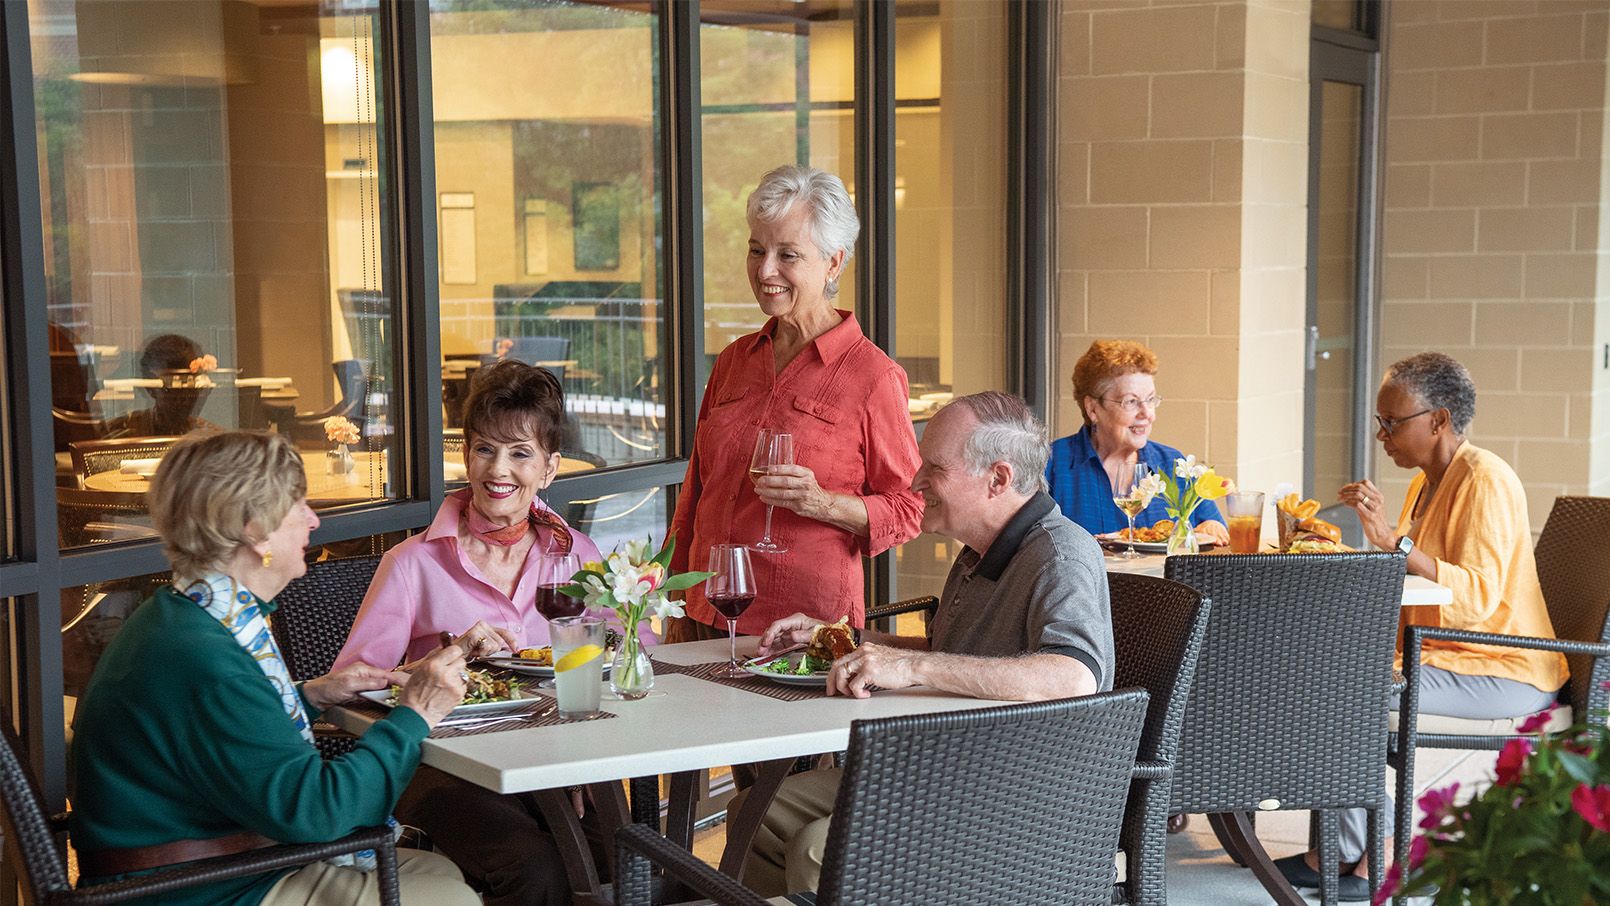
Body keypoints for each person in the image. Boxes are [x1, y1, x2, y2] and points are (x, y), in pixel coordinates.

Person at [68, 431, 478, 906]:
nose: (313, 519)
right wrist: (416, 714)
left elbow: (221, 735)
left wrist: (309, 695)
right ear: (253, 528)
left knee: (437, 871)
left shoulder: (188, 618)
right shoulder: (204, 656)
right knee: (447, 896)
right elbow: (318, 811)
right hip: (192, 888)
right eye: (297, 504)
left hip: (204, 865)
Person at [736, 391, 1115, 896]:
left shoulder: (1060, 554)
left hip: (1016, 798)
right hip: (946, 769)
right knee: (755, 813)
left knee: (817, 846)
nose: (915, 482)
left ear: (997, 479)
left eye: (934, 468)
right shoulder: (979, 552)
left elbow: (1074, 678)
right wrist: (842, 638)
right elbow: (945, 655)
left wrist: (914, 665)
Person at [1276, 352, 1568, 901]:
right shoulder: (1424, 485)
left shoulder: (1486, 480)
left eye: (1393, 421)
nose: (1382, 434)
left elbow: (1476, 598)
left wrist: (1394, 543)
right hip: (1440, 654)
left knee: (1344, 697)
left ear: (1438, 419)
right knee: (1322, 678)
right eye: (1380, 421)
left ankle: (1379, 848)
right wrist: (1372, 547)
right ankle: (1341, 850)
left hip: (1501, 664)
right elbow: (1409, 575)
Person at [334, 359, 612, 905]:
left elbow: (614, 666)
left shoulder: (577, 557)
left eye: (519, 453)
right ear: (466, 456)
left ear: (550, 469)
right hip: (442, 766)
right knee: (534, 869)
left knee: (620, 853)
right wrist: (445, 660)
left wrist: (586, 753)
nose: (498, 469)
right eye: (485, 448)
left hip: (555, 755)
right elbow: (349, 689)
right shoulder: (411, 563)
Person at [665, 164, 924, 642]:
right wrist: (672, 599)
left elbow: (910, 507)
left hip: (800, 629)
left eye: (788, 255)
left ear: (833, 263)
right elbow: (695, 493)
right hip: (704, 613)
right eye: (757, 250)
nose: (766, 271)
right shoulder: (733, 360)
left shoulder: (874, 377)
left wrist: (822, 504)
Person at [1045, 339, 1228, 546]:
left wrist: (1211, 527)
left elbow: (1213, 532)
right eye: (1131, 402)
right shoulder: (1051, 465)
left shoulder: (1173, 464)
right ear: (1093, 409)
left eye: (1150, 400)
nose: (1147, 414)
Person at [105, 333, 220, 438]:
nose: (186, 398)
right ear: (150, 388)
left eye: (196, 388)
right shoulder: (121, 432)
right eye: (173, 389)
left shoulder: (212, 438)